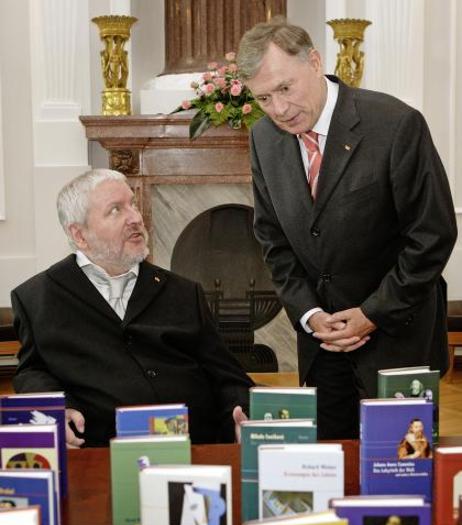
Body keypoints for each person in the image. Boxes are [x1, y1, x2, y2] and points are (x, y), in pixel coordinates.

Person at [237, 19, 457, 439]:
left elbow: (432, 236)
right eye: (264, 97)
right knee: (331, 473)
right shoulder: (264, 138)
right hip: (323, 347)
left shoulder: (394, 123)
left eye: (285, 88)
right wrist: (310, 314)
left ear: (315, 61)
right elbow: (273, 241)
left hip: (398, 342)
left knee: (402, 476)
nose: (279, 109)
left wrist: (372, 314)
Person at [11, 169, 252, 447]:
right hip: (101, 452)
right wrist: (56, 411)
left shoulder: (184, 292)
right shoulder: (37, 298)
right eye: (115, 210)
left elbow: (229, 376)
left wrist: (240, 413)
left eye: (133, 204)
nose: (136, 218)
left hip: (196, 448)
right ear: (79, 235)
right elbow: (32, 371)